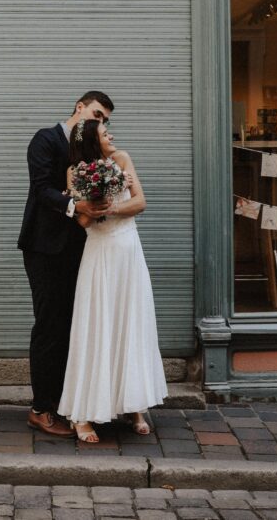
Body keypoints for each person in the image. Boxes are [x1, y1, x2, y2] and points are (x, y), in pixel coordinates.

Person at [58, 118, 168, 443]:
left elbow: (140, 202)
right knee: (97, 326)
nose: (112, 136)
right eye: (106, 134)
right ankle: (82, 414)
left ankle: (133, 405)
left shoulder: (122, 159)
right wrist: (91, 210)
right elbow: (81, 222)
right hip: (99, 253)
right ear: (94, 141)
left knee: (129, 323)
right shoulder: (74, 172)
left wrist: (113, 208)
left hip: (129, 252)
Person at [18, 91, 114, 437]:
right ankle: (40, 409)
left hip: (79, 248)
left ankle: (66, 402)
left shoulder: (88, 148)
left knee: (73, 327)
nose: (99, 121)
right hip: (44, 248)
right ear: (80, 107)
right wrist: (78, 207)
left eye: (104, 120)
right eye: (97, 113)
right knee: (49, 325)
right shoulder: (45, 139)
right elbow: (42, 189)